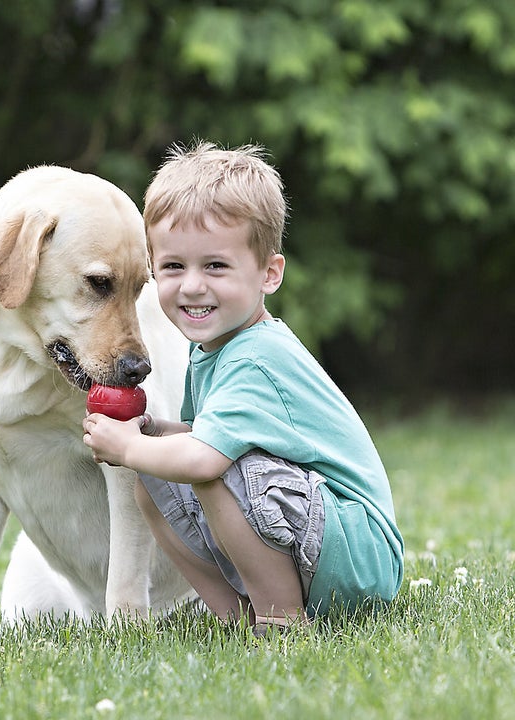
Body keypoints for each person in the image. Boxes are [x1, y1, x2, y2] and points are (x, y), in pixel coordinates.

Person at [83, 141, 404, 633]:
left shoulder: (255, 357)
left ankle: (280, 621)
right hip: (317, 539)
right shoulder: (212, 347)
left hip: (356, 555)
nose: (192, 285)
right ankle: (238, 616)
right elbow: (204, 435)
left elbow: (206, 458)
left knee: (208, 469)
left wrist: (127, 445)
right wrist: (157, 432)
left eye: (215, 266)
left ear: (268, 274)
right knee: (153, 479)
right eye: (173, 266)